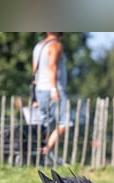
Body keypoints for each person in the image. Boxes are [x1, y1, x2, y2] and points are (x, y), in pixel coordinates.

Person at [32, 32, 70, 165]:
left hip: (40, 90)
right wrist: (54, 89)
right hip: (54, 89)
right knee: (65, 123)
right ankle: (46, 151)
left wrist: (34, 95)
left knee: (45, 123)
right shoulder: (56, 45)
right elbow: (52, 67)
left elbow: (35, 70)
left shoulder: (38, 46)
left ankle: (41, 155)